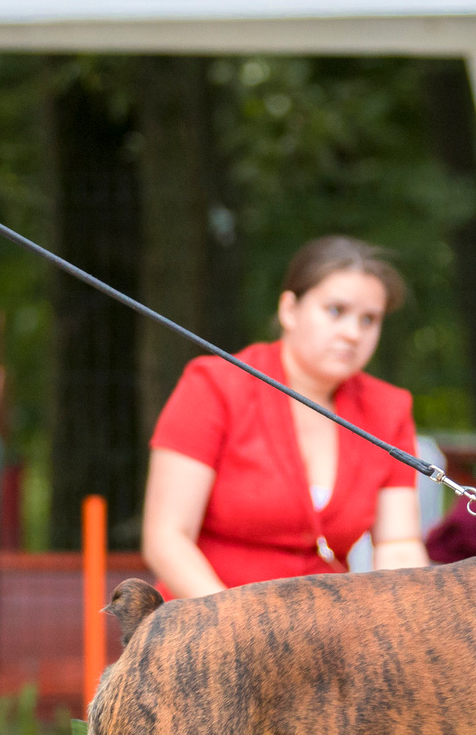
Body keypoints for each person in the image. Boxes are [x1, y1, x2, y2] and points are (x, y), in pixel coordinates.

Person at [142, 237, 428, 600]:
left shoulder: (389, 407)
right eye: (336, 311)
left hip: (326, 633)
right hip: (204, 625)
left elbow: (398, 544)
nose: (353, 333)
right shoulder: (213, 384)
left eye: (369, 319)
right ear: (289, 310)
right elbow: (166, 539)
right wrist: (236, 629)